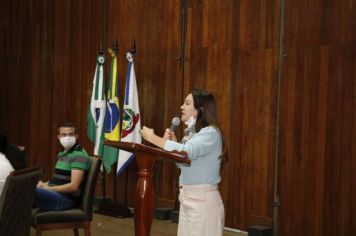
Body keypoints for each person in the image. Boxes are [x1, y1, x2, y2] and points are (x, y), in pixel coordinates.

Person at [140, 89, 226, 236]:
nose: (182, 107)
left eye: (187, 103)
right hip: (187, 199)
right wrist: (173, 143)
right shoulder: (193, 135)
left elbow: (187, 151)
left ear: (199, 110)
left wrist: (152, 138)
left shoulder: (210, 133)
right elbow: (183, 162)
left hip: (202, 202)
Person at [33, 121, 90, 211]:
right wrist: (43, 184)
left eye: (70, 134)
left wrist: (49, 188)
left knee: (26, 191)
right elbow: (59, 180)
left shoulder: (79, 155)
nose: (67, 137)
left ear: (76, 136)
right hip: (57, 194)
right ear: (59, 137)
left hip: (64, 199)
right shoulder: (63, 153)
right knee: (26, 188)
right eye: (64, 135)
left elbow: (73, 186)